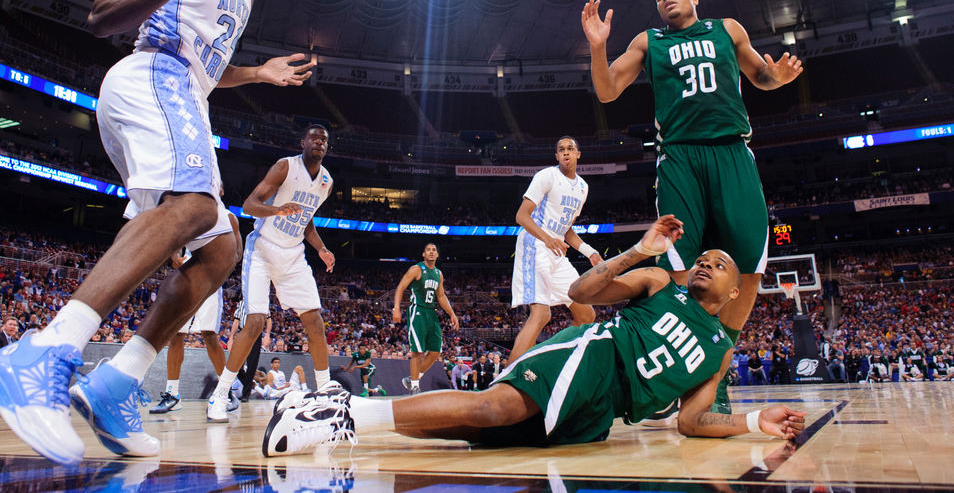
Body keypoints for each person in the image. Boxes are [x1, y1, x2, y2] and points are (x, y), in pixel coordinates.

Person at [0, 0, 312, 466]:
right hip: (155, 77)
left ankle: (115, 385)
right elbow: (102, 16)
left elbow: (213, 65)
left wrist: (258, 75)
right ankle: (44, 352)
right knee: (198, 208)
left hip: (187, 95)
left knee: (221, 249)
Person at [263, 216, 806, 456]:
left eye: (720, 263)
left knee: (477, 436)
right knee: (493, 408)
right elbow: (583, 289)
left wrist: (755, 422)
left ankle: (337, 417)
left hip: (605, 410)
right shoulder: (663, 282)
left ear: (738, 291)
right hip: (596, 353)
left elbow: (691, 420)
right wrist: (639, 250)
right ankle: (339, 414)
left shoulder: (719, 350)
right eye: (704, 258)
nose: (707, 263)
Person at [581, 0, 804, 412]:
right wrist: (597, 47)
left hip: (732, 151)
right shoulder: (649, 41)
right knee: (682, 265)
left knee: (748, 266)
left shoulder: (728, 29)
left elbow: (760, 75)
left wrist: (777, 77)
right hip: (680, 157)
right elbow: (607, 91)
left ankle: (717, 374)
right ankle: (690, 374)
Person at [205, 125, 336, 422]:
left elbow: (307, 222)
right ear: (303, 141)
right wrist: (277, 210)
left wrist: (322, 249)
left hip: (293, 255)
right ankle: (221, 394)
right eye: (314, 137)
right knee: (254, 323)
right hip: (263, 249)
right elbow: (250, 205)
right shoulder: (285, 167)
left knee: (315, 322)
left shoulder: (326, 181)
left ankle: (326, 390)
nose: (319, 142)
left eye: (324, 140)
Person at [509, 136, 602, 363]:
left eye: (571, 148)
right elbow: (521, 216)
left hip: (556, 251)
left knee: (587, 316)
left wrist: (590, 252)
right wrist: (548, 239)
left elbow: (567, 230)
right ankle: (504, 380)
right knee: (541, 314)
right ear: (557, 156)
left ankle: (550, 362)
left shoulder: (582, 187)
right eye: (561, 150)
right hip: (534, 245)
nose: (566, 152)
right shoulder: (547, 176)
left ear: (578, 154)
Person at [149, 246, 231, 414]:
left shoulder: (226, 219)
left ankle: (225, 391)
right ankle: (172, 394)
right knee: (176, 334)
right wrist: (175, 256)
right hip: (187, 277)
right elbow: (179, 237)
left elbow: (233, 248)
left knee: (209, 336)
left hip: (211, 278)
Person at [391, 242, 459, 394]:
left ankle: (413, 378)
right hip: (417, 311)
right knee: (417, 351)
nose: (431, 252)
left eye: (434, 250)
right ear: (423, 254)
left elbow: (440, 295)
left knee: (435, 351)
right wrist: (396, 308)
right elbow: (401, 287)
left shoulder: (438, 273)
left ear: (437, 255)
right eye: (428, 250)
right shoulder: (416, 269)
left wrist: (452, 314)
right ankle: (415, 386)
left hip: (431, 312)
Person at [228, 308, 271, 401]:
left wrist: (267, 335)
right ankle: (253, 386)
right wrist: (231, 337)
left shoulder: (262, 301)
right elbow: (236, 321)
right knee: (238, 365)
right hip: (243, 332)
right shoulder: (241, 303)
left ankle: (246, 394)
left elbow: (268, 319)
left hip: (256, 334)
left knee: (252, 365)